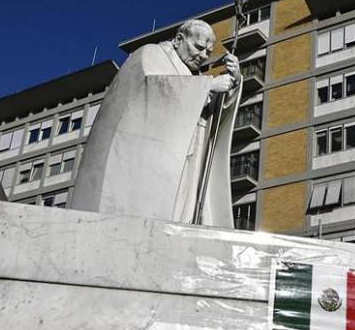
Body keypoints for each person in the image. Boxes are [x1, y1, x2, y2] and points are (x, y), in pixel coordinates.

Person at [71, 19, 241, 227]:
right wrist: (207, 86)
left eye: (208, 51)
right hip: (152, 163)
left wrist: (233, 83)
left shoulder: (191, 75)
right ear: (179, 39)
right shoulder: (151, 55)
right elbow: (150, 91)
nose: (203, 56)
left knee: (185, 211)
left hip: (188, 156)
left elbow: (211, 115)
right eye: (198, 47)